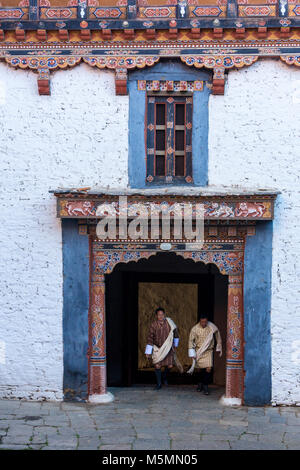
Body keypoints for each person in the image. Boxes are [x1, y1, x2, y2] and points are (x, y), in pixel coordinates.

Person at [145, 307, 180, 390]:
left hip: (168, 348)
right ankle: (159, 384)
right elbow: (150, 338)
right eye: (159, 315)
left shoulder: (170, 323)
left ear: (164, 315)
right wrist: (148, 352)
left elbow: (176, 333)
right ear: (156, 316)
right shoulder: (153, 325)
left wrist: (175, 345)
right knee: (157, 366)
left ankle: (164, 376)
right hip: (158, 348)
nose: (160, 316)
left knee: (170, 366)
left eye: (162, 314)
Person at [187, 314, 222, 395]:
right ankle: (200, 383)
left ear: (207, 321)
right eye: (202, 322)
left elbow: (217, 334)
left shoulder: (211, 327)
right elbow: (190, 341)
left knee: (208, 368)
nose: (204, 323)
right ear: (200, 321)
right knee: (199, 369)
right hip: (198, 350)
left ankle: (206, 385)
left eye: (205, 322)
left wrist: (218, 346)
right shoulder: (194, 329)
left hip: (208, 351)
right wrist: (191, 352)